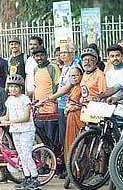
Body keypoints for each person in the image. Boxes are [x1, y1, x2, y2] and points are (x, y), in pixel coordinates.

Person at [0, 74, 41, 190]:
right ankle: (27, 177)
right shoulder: (9, 100)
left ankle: (35, 178)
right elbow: (7, 116)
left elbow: (25, 117)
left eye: (16, 87)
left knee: (26, 154)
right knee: (21, 155)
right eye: (10, 87)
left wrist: (10, 122)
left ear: (21, 88)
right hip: (15, 130)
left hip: (26, 130)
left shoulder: (25, 99)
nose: (13, 89)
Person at [42, 43, 80, 176]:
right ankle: (66, 166)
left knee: (70, 138)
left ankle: (72, 168)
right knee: (63, 138)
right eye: (61, 53)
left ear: (72, 54)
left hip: (70, 107)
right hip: (62, 105)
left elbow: (67, 87)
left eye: (65, 53)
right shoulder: (64, 67)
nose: (62, 55)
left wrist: (50, 97)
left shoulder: (74, 68)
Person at [33, 45, 61, 150]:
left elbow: (59, 87)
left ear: (46, 56)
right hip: (39, 109)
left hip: (51, 109)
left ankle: (53, 161)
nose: (39, 58)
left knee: (51, 138)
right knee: (42, 139)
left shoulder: (53, 68)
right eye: (36, 56)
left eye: (41, 55)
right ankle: (45, 161)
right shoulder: (35, 69)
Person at [63, 67, 84, 170]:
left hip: (78, 116)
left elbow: (83, 104)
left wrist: (72, 107)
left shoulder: (82, 87)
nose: (74, 78)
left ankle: (80, 171)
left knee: (79, 142)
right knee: (70, 142)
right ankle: (70, 169)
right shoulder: (72, 88)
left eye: (76, 75)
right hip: (70, 118)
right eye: (71, 76)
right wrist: (67, 107)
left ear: (81, 75)